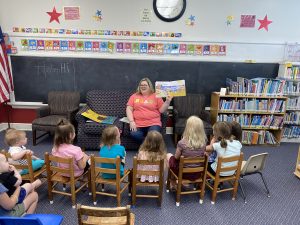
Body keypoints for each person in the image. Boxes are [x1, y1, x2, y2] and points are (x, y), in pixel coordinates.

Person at [126, 77, 172, 143]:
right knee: (134, 134)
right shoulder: (134, 96)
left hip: (153, 123)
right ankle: (149, 145)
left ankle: (146, 146)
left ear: (149, 86)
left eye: (145, 85)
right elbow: (129, 109)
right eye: (141, 85)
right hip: (138, 124)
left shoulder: (156, 96)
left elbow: (161, 110)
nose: (143, 86)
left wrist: (167, 101)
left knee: (153, 136)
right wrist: (131, 121)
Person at [167, 116, 207, 189]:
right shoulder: (203, 143)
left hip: (183, 173)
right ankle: (185, 182)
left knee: (169, 156)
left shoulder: (182, 143)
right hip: (197, 173)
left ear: (187, 128)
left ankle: (173, 182)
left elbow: (176, 157)